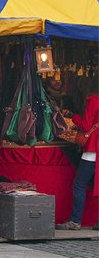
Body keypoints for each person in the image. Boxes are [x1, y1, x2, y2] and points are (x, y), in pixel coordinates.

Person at [56, 91, 99, 230]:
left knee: (79, 185)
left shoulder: (94, 100)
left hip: (94, 148)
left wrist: (73, 117)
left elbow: (86, 126)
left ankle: (75, 221)